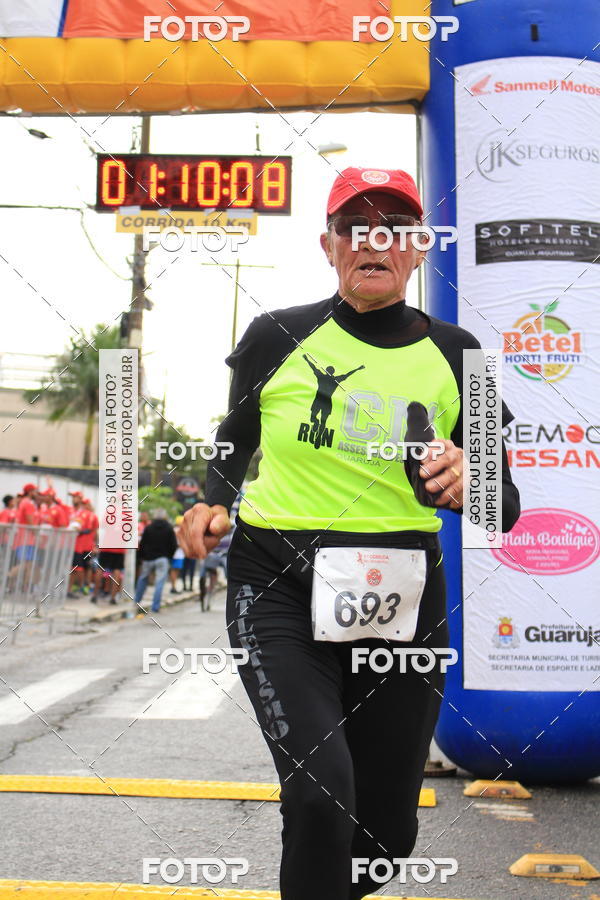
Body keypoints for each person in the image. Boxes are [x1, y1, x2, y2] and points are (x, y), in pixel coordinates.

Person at [179, 167, 521, 900]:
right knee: (319, 795)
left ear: (419, 249)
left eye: (394, 230)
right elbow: (234, 440)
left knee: (382, 840)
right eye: (354, 228)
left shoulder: (461, 356)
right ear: (329, 245)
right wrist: (213, 502)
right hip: (276, 581)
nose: (374, 242)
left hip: (402, 599)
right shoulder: (276, 335)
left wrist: (474, 483)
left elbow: (507, 505)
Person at [133, 509, 178, 613]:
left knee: (143, 579)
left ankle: (136, 601)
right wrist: (169, 556)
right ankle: (155, 607)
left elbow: (143, 544)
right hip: (162, 558)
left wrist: (142, 557)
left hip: (148, 558)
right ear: (165, 517)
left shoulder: (149, 527)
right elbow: (173, 545)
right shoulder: (169, 528)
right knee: (159, 583)